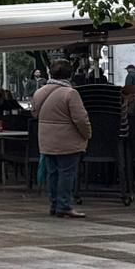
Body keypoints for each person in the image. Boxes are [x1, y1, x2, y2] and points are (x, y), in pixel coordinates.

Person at [33, 59, 91, 218]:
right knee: (67, 173)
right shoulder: (70, 93)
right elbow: (80, 119)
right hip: (67, 140)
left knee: (52, 173)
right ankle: (64, 205)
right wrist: (87, 134)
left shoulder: (40, 92)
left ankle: (54, 203)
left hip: (46, 140)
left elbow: (34, 113)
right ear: (70, 74)